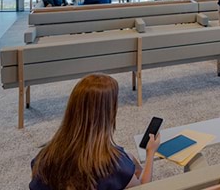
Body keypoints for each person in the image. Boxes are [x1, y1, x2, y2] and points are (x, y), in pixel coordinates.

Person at [30, 74, 161, 189]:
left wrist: (128, 157)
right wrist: (150, 153)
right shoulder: (115, 167)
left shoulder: (43, 158)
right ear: (108, 114)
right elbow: (143, 187)